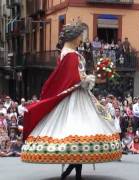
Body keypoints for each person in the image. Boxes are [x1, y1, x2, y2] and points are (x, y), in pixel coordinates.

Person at [21, 20, 122, 180]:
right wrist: (93, 78)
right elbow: (76, 78)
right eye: (82, 36)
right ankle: (72, 172)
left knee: (79, 132)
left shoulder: (67, 52)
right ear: (75, 36)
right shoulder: (71, 54)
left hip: (77, 95)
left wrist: (93, 77)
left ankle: (73, 172)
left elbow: (75, 77)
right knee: (79, 130)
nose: (82, 40)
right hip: (75, 97)